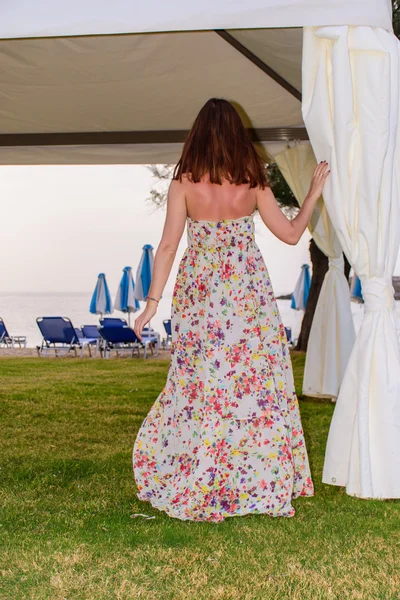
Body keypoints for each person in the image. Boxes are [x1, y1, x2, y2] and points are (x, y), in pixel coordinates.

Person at [133, 98, 329, 522]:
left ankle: (206, 472)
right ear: (238, 135)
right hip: (246, 297)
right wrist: (311, 193)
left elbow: (167, 247)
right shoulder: (253, 183)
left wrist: (151, 305)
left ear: (198, 134)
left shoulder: (184, 183)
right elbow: (294, 235)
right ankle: (252, 476)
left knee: (201, 384)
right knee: (253, 386)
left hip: (201, 298)